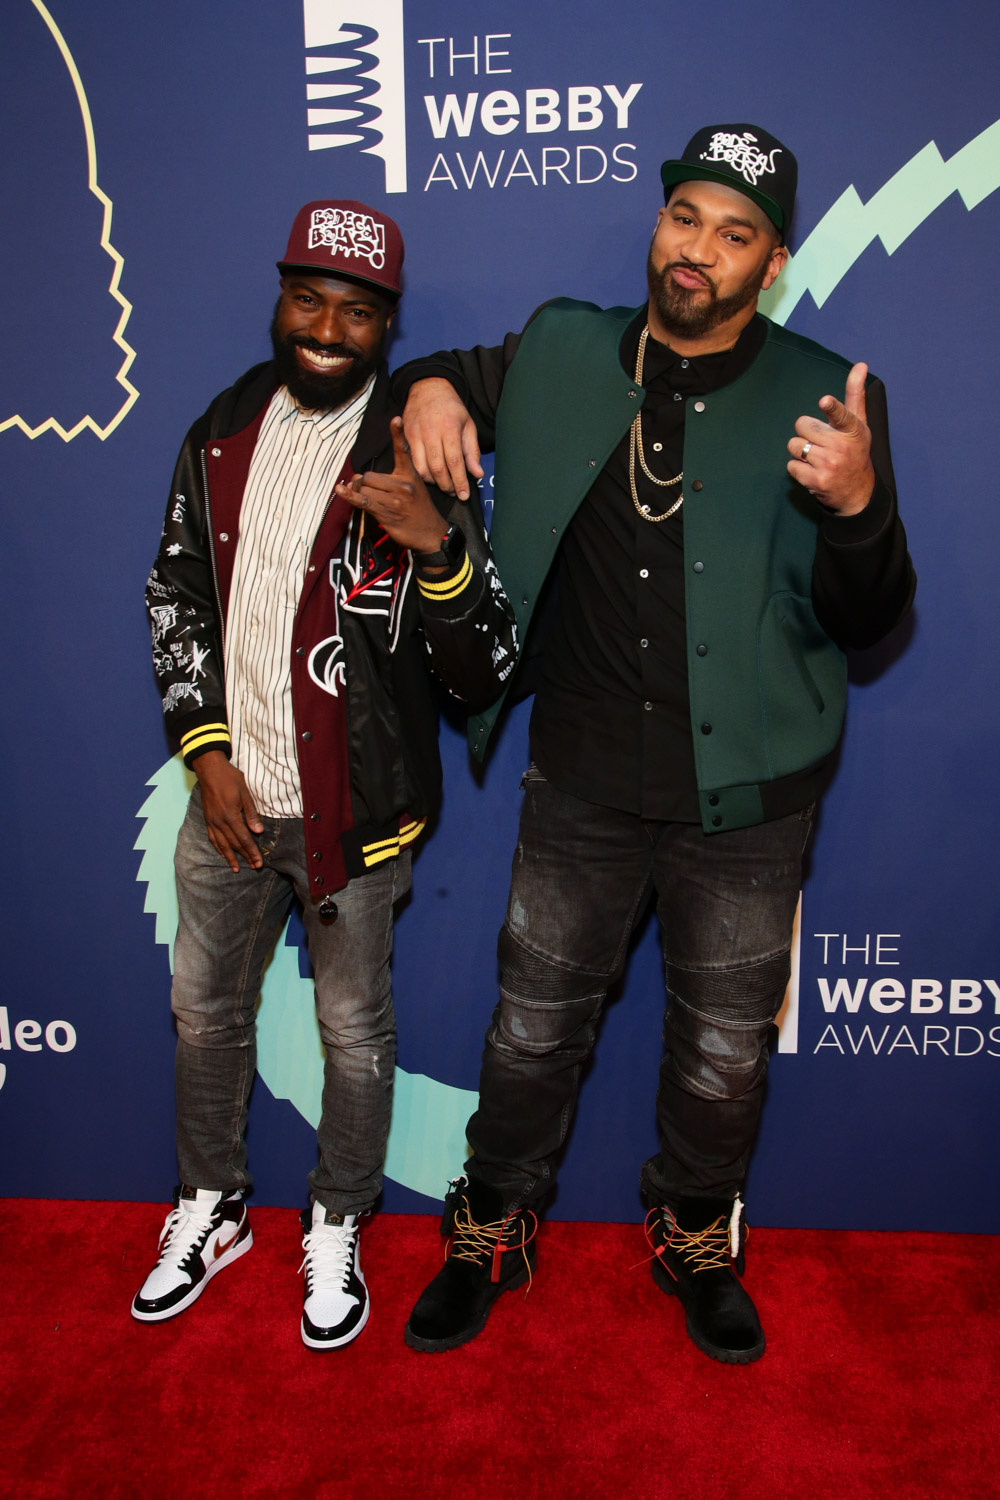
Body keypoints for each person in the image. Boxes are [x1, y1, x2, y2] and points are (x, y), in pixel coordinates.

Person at [396, 126, 915, 1364]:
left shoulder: (829, 392)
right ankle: (490, 1225)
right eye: (686, 216)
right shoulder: (564, 344)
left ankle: (695, 1233)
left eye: (735, 234)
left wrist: (856, 509)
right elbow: (453, 376)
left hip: (749, 800)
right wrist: (431, 386)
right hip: (577, 778)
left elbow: (875, 617)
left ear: (771, 261)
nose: (699, 250)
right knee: (528, 1032)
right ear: (661, 222)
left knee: (725, 1060)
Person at [135, 199, 515, 1349]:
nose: (325, 327)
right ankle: (213, 1204)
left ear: (388, 327)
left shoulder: (420, 449)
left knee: (354, 1037)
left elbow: (487, 663)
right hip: (228, 802)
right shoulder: (221, 427)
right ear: (280, 298)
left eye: (356, 311)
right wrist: (205, 754)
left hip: (357, 816)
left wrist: (435, 546)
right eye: (309, 298)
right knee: (205, 1017)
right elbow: (175, 596)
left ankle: (336, 1221)